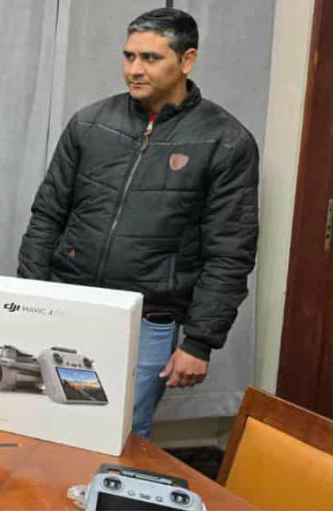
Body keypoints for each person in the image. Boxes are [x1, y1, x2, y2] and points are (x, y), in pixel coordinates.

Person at [17, 8, 258, 437]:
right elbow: (47, 215)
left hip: (147, 321)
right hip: (69, 306)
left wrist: (199, 341)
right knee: (47, 426)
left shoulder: (226, 141)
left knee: (121, 436)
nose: (134, 69)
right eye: (129, 56)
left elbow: (230, 251)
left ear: (186, 60)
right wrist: (32, 297)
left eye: (150, 58)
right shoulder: (90, 123)